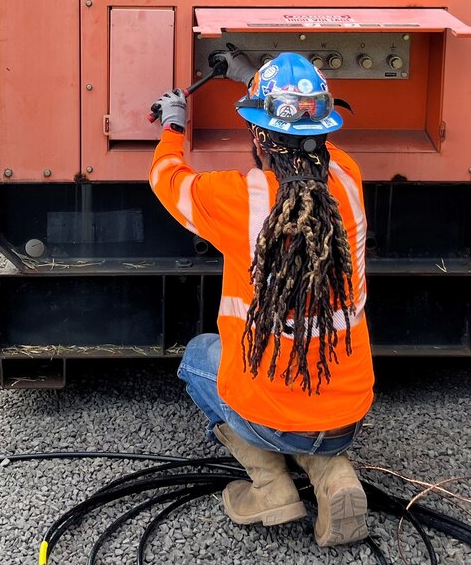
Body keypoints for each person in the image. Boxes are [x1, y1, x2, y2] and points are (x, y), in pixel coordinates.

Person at [148, 50, 374, 547]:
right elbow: (307, 133)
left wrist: (173, 124)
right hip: (347, 417)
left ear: (257, 135)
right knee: (312, 409)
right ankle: (332, 472)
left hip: (271, 416)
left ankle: (271, 486)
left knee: (197, 357)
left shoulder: (237, 198)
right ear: (326, 132)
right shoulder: (348, 180)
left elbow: (166, 177)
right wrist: (259, 84)